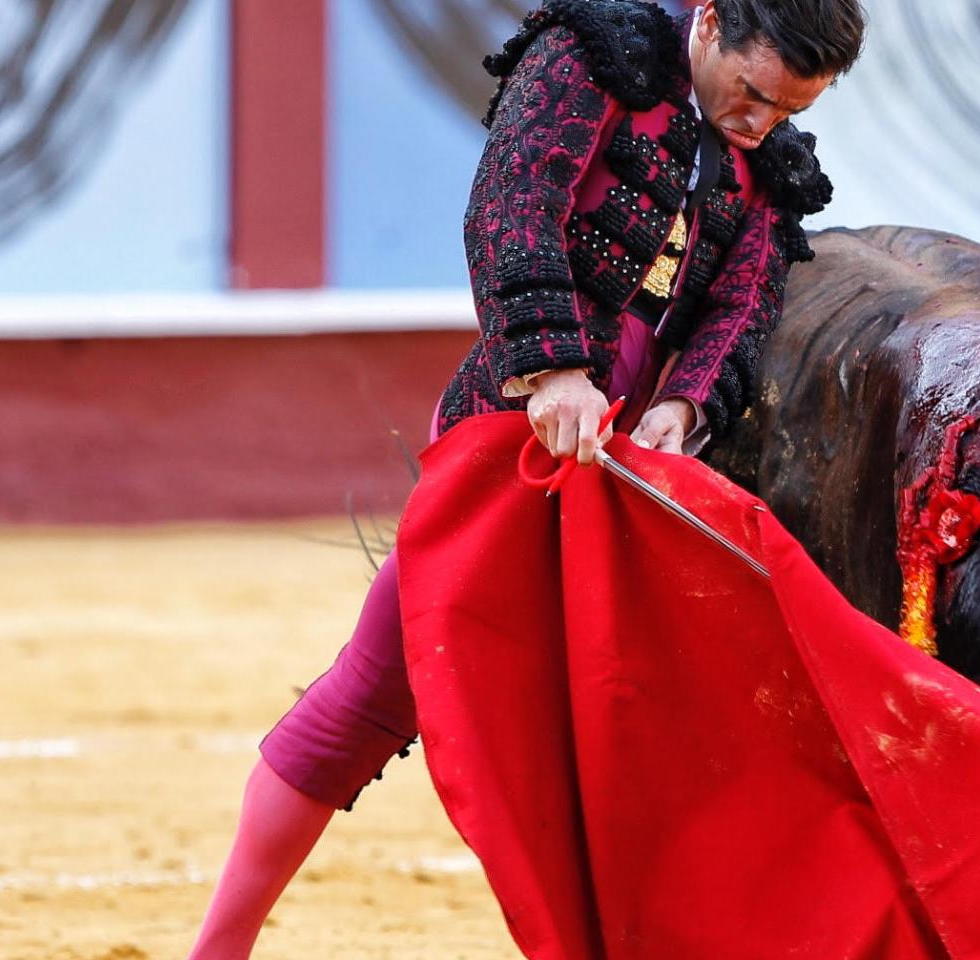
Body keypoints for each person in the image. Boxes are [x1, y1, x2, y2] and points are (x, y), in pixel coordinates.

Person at [186, 1, 864, 955]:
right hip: (511, 428)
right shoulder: (597, 59)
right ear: (707, 23)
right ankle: (218, 946)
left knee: (645, 721)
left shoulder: (767, 166)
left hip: (639, 477)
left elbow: (742, 304)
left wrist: (687, 406)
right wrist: (553, 368)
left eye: (785, 111)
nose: (759, 125)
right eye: (751, 94)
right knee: (379, 687)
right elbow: (512, 204)